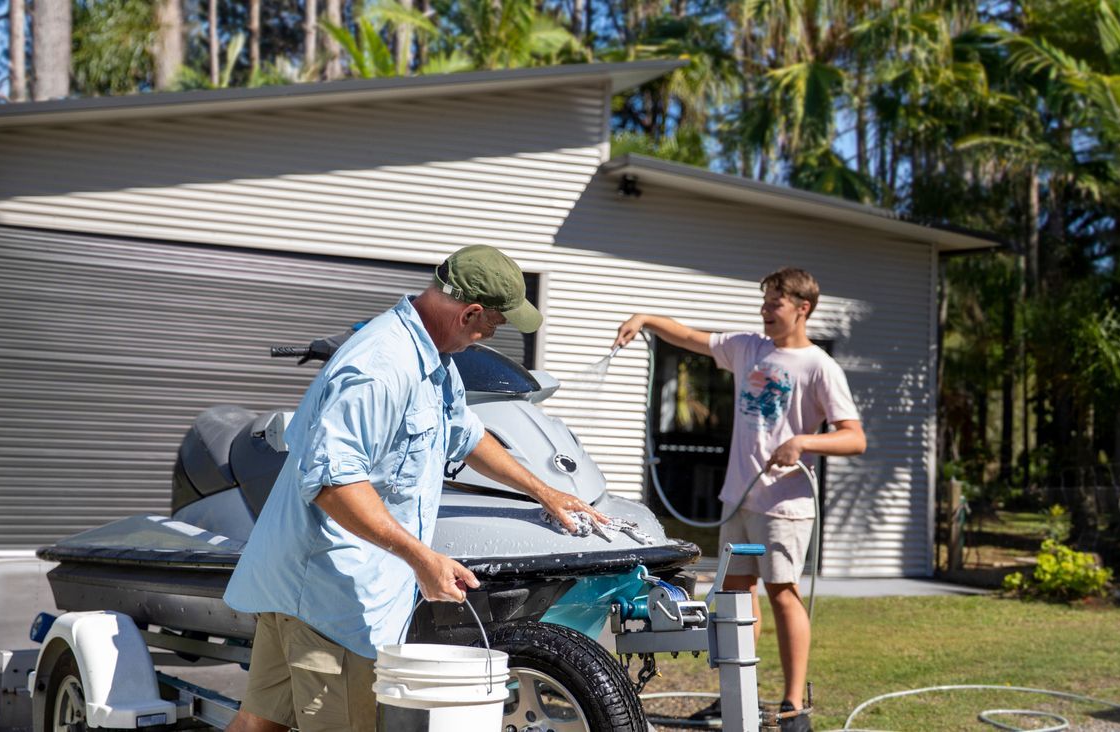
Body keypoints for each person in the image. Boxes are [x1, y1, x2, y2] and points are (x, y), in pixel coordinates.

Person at [224, 245, 609, 732]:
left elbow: (465, 435)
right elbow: (333, 484)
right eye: (494, 324)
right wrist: (421, 559)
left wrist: (544, 490)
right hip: (332, 598)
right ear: (470, 312)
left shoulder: (431, 356)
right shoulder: (380, 368)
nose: (492, 335)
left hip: (306, 586)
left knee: (260, 724)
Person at [613, 267, 866, 732]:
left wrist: (804, 443)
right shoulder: (749, 347)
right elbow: (689, 335)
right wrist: (645, 318)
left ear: (802, 308)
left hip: (785, 506)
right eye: (765, 301)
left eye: (775, 303)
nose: (765, 310)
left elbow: (854, 439)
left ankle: (793, 708)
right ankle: (739, 693)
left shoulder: (818, 367)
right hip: (740, 499)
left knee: (783, 594)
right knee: (734, 595)